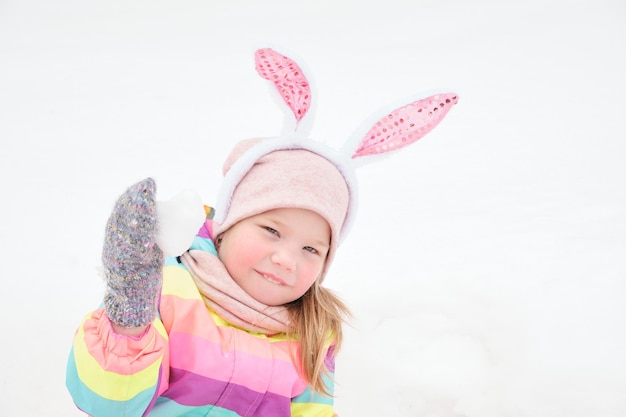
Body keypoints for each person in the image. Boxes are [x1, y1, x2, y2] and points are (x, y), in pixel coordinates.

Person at [66, 48, 458, 417]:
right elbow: (107, 404)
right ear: (228, 223)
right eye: (271, 230)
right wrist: (131, 316)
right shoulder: (168, 289)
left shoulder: (313, 334)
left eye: (311, 249)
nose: (287, 258)